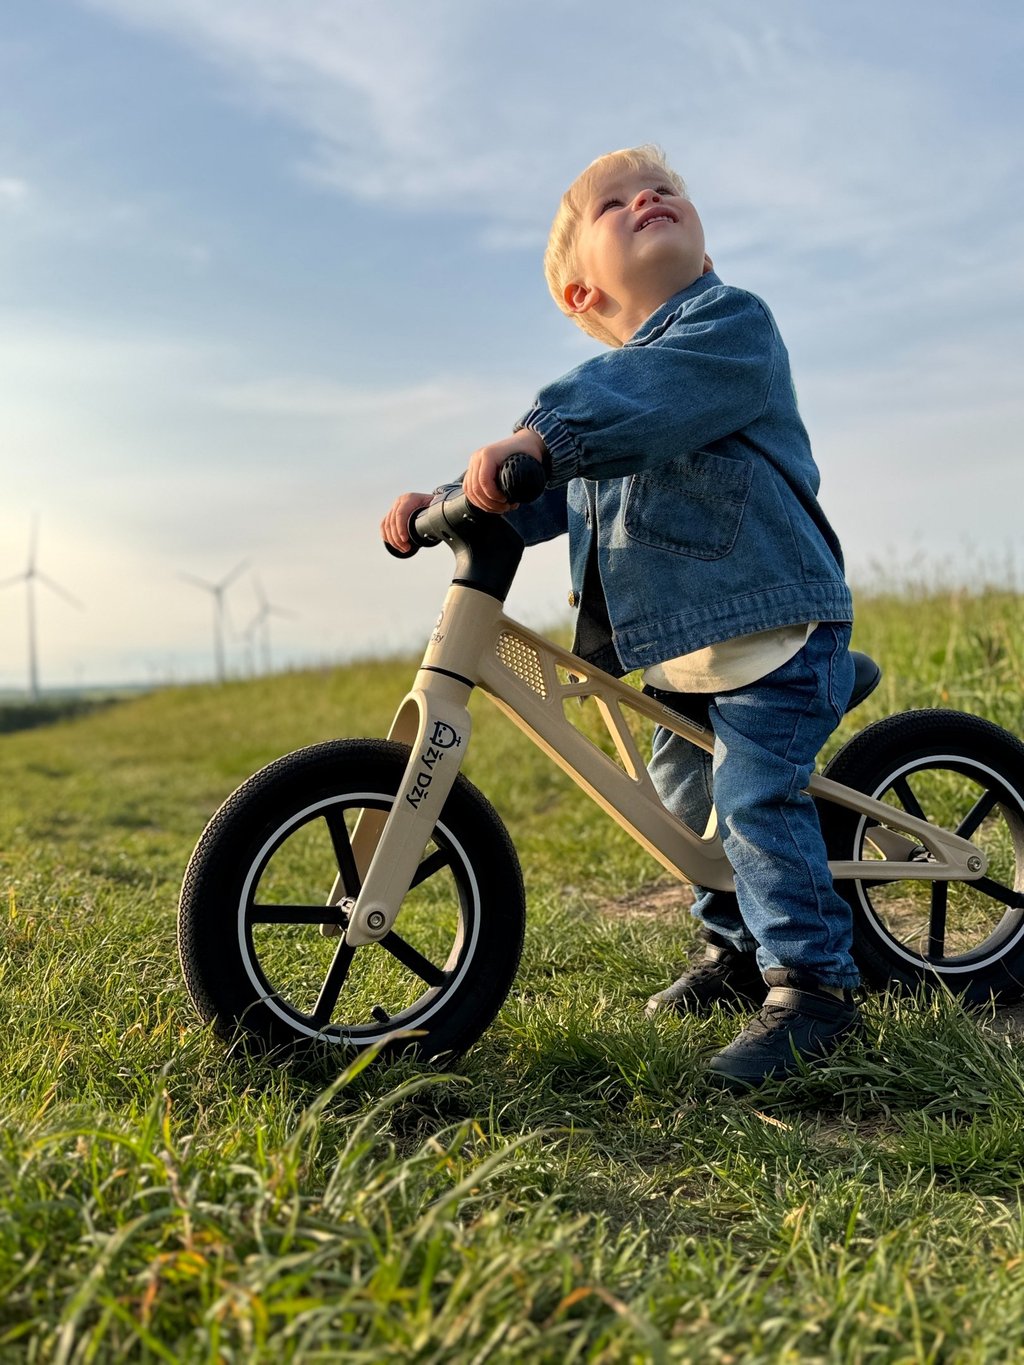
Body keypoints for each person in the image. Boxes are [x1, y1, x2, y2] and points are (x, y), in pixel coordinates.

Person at [382, 144, 862, 1089]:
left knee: (753, 798)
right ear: (581, 293)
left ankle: (814, 988)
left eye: (664, 189)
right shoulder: (601, 417)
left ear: (702, 244)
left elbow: (637, 400)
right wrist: (448, 499)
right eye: (616, 203)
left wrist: (543, 436)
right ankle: (734, 949)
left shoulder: (727, 329)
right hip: (683, 653)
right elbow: (544, 491)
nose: (648, 197)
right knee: (688, 808)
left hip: (773, 629)